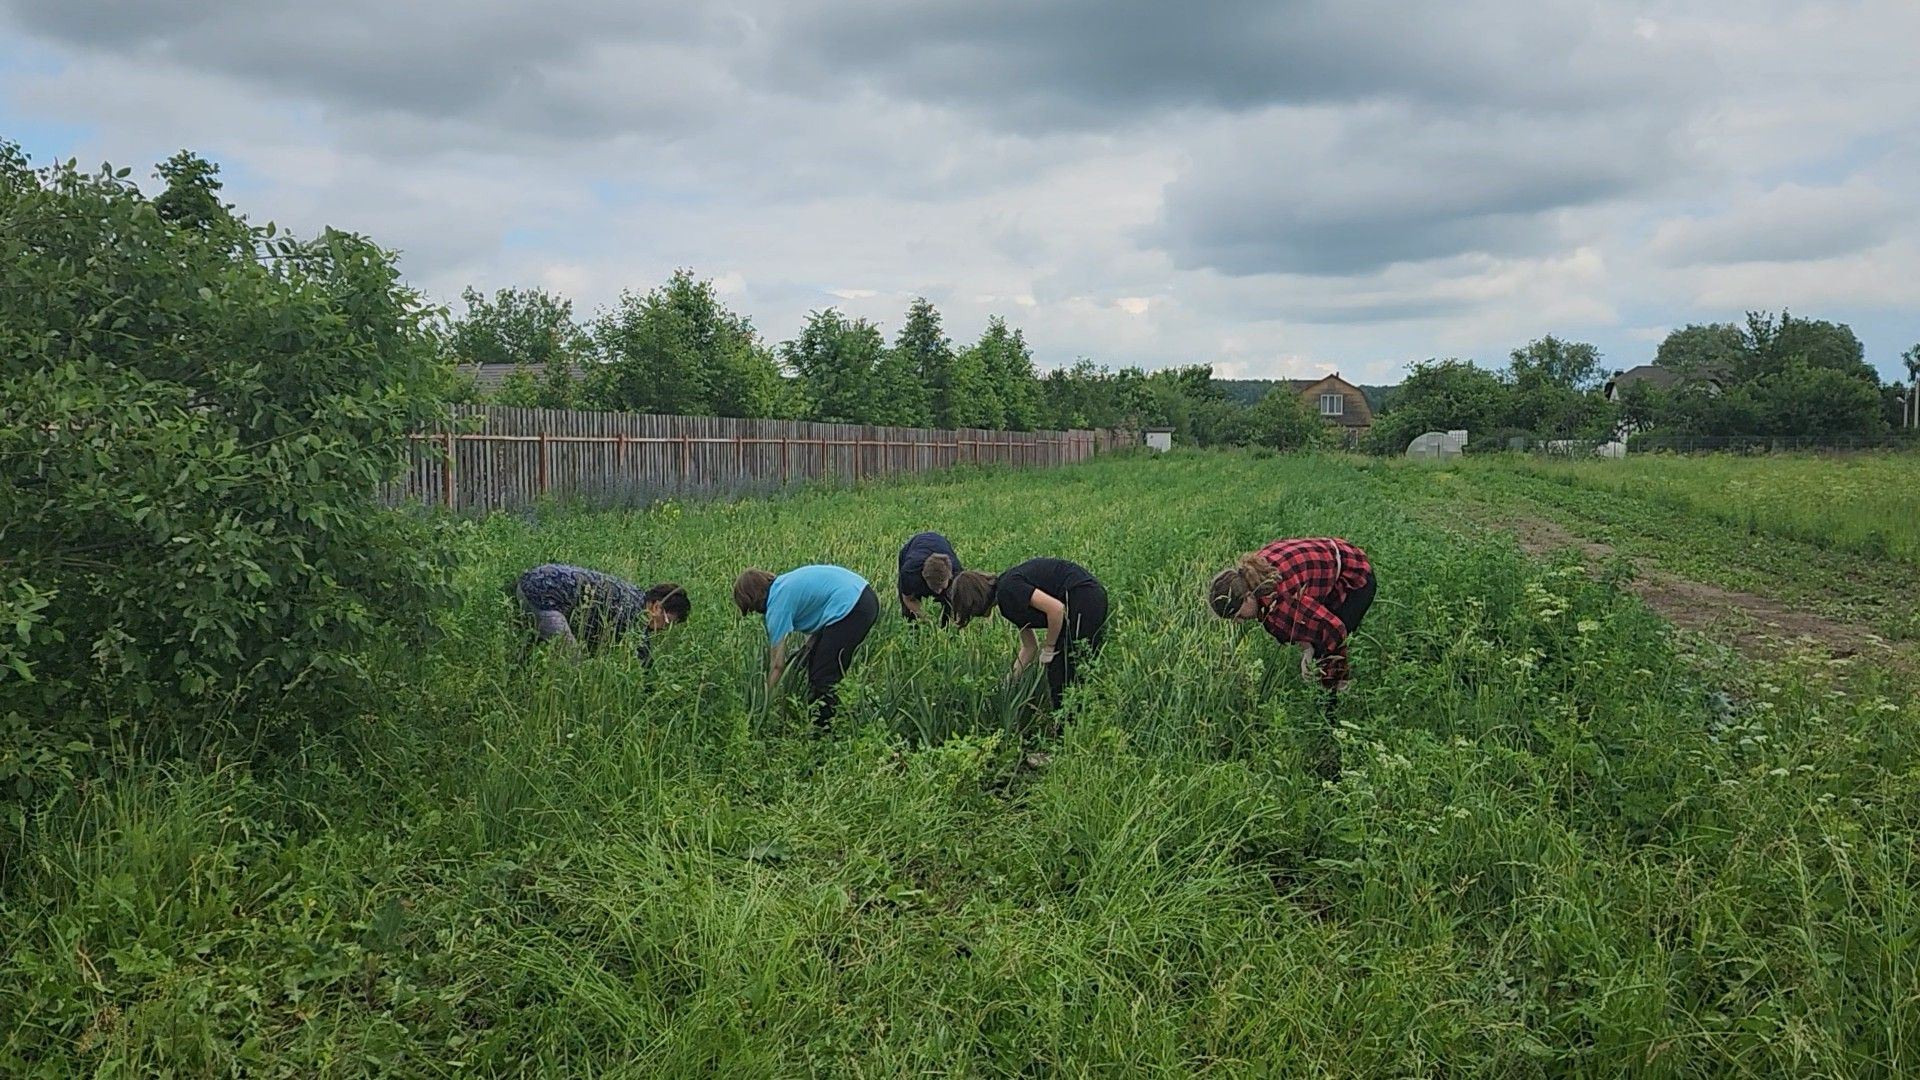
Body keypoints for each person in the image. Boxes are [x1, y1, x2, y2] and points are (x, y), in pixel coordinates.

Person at [1206, 538, 1375, 693]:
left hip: (1355, 575)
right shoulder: (1252, 573)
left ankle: (1339, 701)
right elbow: (1300, 621)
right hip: (1336, 555)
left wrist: (1336, 678)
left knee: (1324, 661)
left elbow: (1334, 629)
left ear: (1248, 596)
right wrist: (1307, 649)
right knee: (1315, 649)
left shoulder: (1280, 603)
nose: (1238, 622)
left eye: (1237, 615)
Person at [942, 557, 1108, 703]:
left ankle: (1068, 727)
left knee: (1063, 671)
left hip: (1085, 598)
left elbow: (1056, 609)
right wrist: (1007, 683)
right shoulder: (1007, 601)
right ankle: (1072, 723)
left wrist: (1049, 648)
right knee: (1065, 671)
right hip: (1084, 599)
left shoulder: (1008, 590)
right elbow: (1029, 648)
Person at [733, 564, 879, 726]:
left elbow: (777, 666)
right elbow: (821, 615)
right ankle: (835, 719)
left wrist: (764, 702)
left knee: (822, 677)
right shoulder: (784, 585)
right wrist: (806, 651)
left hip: (852, 607)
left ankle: (824, 734)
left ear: (752, 599)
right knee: (819, 664)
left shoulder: (777, 606)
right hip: (862, 595)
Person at [510, 563, 688, 663]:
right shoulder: (632, 612)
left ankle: (515, 673)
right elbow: (643, 660)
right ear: (656, 607)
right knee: (575, 664)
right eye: (667, 621)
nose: (664, 629)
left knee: (532, 645)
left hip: (532, 582)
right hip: (541, 595)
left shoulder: (635, 596)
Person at [897, 531, 963, 623]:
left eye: (942, 587)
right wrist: (927, 619)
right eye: (935, 587)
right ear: (924, 577)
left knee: (948, 600)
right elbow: (908, 599)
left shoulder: (957, 572)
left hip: (940, 543)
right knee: (909, 613)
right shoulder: (910, 572)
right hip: (914, 546)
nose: (939, 591)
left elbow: (959, 604)